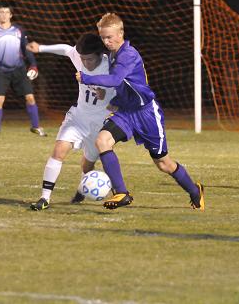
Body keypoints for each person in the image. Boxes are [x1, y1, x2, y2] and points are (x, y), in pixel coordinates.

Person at [75, 13, 205, 211]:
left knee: (163, 163)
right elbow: (124, 85)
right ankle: (121, 193)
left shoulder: (128, 55)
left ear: (121, 33)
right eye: (103, 37)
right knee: (102, 141)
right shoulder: (112, 54)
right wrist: (114, 99)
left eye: (110, 37)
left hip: (147, 115)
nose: (106, 41)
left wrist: (86, 78)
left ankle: (195, 191)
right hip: (126, 112)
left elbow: (117, 79)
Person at [27, 33, 115, 211]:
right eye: (83, 59)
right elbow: (67, 49)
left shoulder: (111, 67)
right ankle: (44, 198)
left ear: (100, 54)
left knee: (87, 163)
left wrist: (107, 95)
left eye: (89, 59)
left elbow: (120, 91)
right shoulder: (79, 56)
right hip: (78, 117)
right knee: (59, 151)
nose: (86, 63)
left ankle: (82, 190)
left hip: (99, 123)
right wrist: (41, 48)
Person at [0, 5, 46, 137]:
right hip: (1, 71)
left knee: (30, 98)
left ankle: (36, 127)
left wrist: (33, 65)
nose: (4, 15)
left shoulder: (18, 30)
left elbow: (26, 48)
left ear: (11, 15)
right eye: (1, 12)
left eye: (7, 12)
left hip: (19, 70)